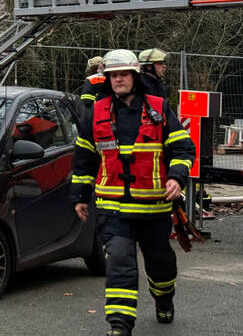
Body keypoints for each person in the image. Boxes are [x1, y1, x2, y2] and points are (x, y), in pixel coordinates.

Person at [70, 49, 195, 336]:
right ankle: (119, 326)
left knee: (160, 266)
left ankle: (164, 298)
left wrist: (176, 177)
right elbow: (84, 158)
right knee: (120, 265)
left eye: (124, 74)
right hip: (114, 210)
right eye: (113, 75)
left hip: (154, 210)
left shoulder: (159, 108)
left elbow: (183, 149)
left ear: (135, 76)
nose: (118, 80)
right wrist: (79, 196)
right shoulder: (96, 113)